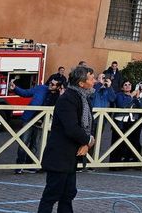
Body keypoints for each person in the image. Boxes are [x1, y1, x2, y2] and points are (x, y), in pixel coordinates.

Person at [36, 65, 96, 213]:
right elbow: (71, 128)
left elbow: (89, 123)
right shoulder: (67, 99)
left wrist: (87, 143)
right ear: (81, 83)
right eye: (91, 78)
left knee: (68, 194)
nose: (94, 80)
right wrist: (87, 140)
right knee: (51, 195)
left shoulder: (84, 98)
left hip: (71, 156)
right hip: (60, 156)